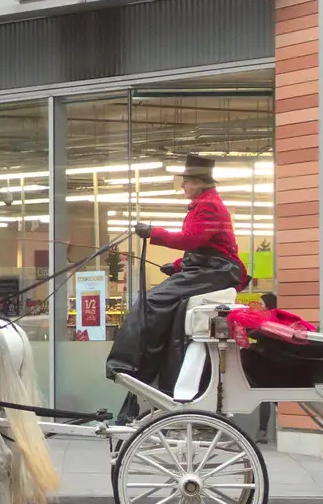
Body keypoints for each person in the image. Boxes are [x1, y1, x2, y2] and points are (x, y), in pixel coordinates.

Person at [106, 154, 248, 407]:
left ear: (199, 182)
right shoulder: (205, 204)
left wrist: (153, 234)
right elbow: (205, 247)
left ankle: (127, 364)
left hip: (218, 271)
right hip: (210, 268)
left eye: (185, 181)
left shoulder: (209, 206)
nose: (182, 186)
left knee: (151, 301)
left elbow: (191, 240)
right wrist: (178, 266)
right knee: (159, 300)